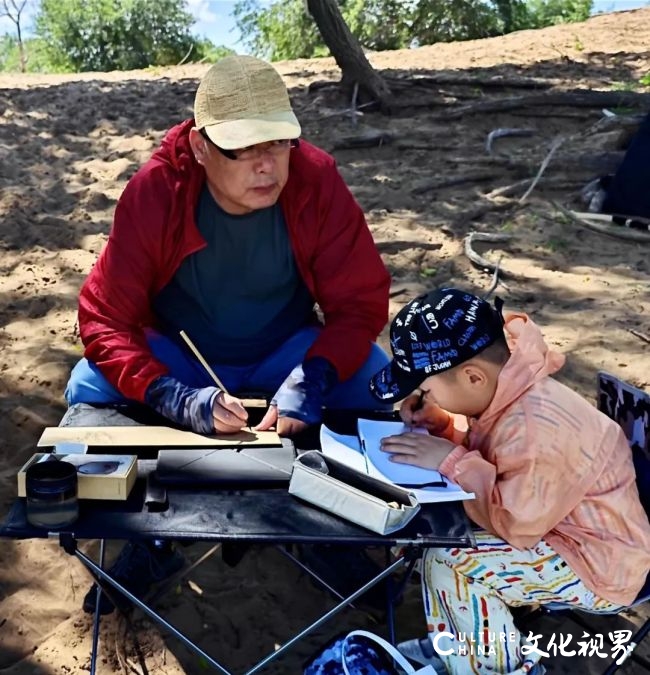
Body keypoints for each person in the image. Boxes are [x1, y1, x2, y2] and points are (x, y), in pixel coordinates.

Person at [65, 55, 392, 614]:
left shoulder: (316, 179)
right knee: (86, 387)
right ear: (198, 147)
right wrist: (170, 394)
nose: (267, 165)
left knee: (380, 383)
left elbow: (359, 304)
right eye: (243, 148)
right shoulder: (156, 191)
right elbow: (103, 319)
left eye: (279, 141)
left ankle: (327, 525)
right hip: (180, 355)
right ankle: (155, 537)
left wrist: (311, 378)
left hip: (286, 352)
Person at [368, 287, 650, 675]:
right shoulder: (509, 386)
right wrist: (449, 431)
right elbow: (501, 458)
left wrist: (452, 460)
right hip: (556, 528)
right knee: (436, 538)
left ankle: (490, 666)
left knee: (452, 562)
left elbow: (517, 524)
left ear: (472, 376)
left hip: (598, 562)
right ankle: (462, 645)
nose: (421, 396)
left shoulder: (538, 426)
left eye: (426, 388)